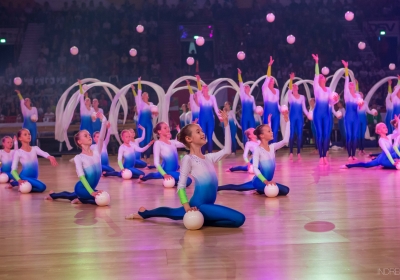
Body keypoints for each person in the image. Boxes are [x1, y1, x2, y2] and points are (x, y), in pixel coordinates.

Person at [125, 110, 245, 228]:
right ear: (189, 139)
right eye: (198, 132)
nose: (203, 133)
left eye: (202, 131)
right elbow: (181, 185)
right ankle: (144, 213)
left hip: (207, 205)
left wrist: (226, 124)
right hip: (199, 205)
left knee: (173, 213)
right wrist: (187, 207)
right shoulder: (188, 159)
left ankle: (145, 213)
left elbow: (227, 150)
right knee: (239, 219)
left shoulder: (209, 157)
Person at [218, 113, 290, 196]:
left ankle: (260, 191)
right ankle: (218, 188)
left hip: (266, 181)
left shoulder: (273, 147)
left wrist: (287, 122)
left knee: (286, 190)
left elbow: (285, 141)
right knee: (237, 187)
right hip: (260, 182)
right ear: (262, 135)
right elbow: (255, 168)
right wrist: (265, 181)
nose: (272, 132)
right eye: (269, 131)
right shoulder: (257, 150)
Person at [45, 113, 108, 204]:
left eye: (89, 135)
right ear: (79, 141)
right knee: (100, 200)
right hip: (81, 188)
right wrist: (92, 192)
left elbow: (101, 138)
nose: (89, 136)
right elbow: (82, 177)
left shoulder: (97, 152)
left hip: (90, 188)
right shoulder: (78, 158)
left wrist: (104, 120)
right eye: (86, 136)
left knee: (71, 195)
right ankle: (81, 199)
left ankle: (53, 195)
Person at [138, 122, 192, 187]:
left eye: (168, 127)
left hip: (173, 172)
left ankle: (144, 178)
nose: (168, 129)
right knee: (188, 181)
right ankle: (143, 178)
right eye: (165, 128)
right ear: (159, 131)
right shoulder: (158, 143)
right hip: (166, 172)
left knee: (155, 175)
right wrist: (164, 174)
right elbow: (156, 162)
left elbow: (185, 144)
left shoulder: (172, 142)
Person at [311, 54, 339, 165]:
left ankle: (325, 155)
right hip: (318, 113)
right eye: (320, 77)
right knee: (320, 134)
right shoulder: (316, 87)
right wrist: (317, 62)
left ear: (326, 79)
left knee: (327, 134)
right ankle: (321, 156)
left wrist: (335, 100)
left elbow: (331, 102)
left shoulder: (328, 90)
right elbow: (317, 74)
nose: (321, 77)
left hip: (327, 113)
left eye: (323, 76)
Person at [132, 78, 157, 162]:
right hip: (141, 124)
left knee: (148, 140)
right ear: (142, 97)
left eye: (146, 95)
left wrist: (155, 113)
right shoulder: (140, 104)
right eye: (143, 95)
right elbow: (138, 93)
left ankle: (148, 156)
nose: (144, 96)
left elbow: (155, 113)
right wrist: (139, 82)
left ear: (148, 97)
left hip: (149, 124)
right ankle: (142, 156)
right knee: (141, 140)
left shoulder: (152, 104)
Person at [195, 75, 221, 153]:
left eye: (206, 86)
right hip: (202, 118)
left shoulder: (212, 97)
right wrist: (198, 81)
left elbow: (216, 108)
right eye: (203, 87)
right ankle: (202, 153)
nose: (205, 87)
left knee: (209, 136)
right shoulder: (200, 97)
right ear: (202, 89)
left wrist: (220, 117)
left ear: (208, 89)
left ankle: (210, 153)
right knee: (203, 136)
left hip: (210, 118)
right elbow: (199, 90)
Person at [287, 73, 310, 159]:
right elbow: (289, 90)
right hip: (292, 117)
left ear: (298, 88)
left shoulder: (302, 97)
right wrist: (291, 80)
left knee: (300, 134)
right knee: (292, 134)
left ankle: (299, 152)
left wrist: (308, 115)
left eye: (296, 86)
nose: (294, 86)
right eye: (293, 86)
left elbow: (304, 108)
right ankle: (291, 152)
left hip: (300, 117)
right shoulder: (290, 96)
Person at [342, 61, 361, 161]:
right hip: (348, 118)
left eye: (352, 84)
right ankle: (349, 155)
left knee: (355, 136)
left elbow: (359, 107)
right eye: (349, 84)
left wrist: (360, 105)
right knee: (349, 136)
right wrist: (346, 68)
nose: (350, 84)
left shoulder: (358, 96)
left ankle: (354, 155)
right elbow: (346, 80)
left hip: (356, 117)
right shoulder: (347, 95)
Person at [262, 56, 283, 143]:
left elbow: (277, 103)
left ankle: (273, 149)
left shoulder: (277, 91)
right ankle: (267, 147)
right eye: (270, 80)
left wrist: (281, 109)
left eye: (272, 80)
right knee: (267, 131)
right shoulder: (265, 89)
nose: (271, 80)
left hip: (276, 113)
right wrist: (269, 66)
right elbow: (267, 77)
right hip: (268, 113)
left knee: (275, 131)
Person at [237, 68, 256, 144]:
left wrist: (258, 111)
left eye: (247, 86)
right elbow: (241, 84)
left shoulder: (252, 97)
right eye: (245, 87)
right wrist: (239, 75)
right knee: (245, 133)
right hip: (244, 117)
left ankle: (252, 150)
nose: (246, 87)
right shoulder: (243, 96)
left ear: (250, 88)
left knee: (252, 132)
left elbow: (254, 107)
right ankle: (246, 149)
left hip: (251, 117)